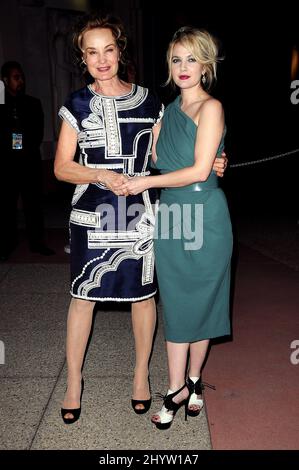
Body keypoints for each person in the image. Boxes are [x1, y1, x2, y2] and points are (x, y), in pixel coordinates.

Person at [54, 13, 227, 424]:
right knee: (82, 298)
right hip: (92, 212)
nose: (101, 59)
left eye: (108, 50)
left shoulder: (153, 101)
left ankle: (140, 377)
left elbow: (177, 150)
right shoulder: (74, 104)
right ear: (83, 58)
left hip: (143, 212)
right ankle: (74, 383)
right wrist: (98, 173)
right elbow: (61, 167)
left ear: (120, 52)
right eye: (91, 52)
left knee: (143, 297)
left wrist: (218, 159)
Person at [120, 26, 233, 429]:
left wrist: (147, 181)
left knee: (202, 301)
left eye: (191, 58)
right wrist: (153, 141)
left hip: (205, 211)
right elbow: (160, 162)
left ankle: (192, 381)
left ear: (205, 64)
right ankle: (177, 387)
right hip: (172, 214)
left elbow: (201, 168)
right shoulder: (166, 111)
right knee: (178, 301)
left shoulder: (212, 107)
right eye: (175, 59)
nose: (183, 67)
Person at [0, 61, 55, 261]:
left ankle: (37, 243)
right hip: (6, 164)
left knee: (34, 205)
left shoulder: (33, 103)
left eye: (21, 76)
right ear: (5, 80)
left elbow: (37, 132)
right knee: (6, 206)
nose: (21, 81)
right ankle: (6, 243)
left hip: (29, 161)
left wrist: (22, 147)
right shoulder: (1, 103)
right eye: (16, 77)